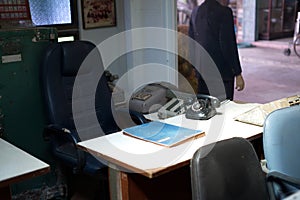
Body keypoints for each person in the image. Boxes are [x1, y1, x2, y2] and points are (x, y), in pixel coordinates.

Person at [188, 0, 245, 101]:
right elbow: (228, 44)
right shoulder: (224, 12)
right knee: (224, 109)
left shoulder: (195, 12)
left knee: (205, 108)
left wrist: (195, 69)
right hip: (222, 73)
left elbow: (192, 44)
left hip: (202, 72)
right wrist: (237, 73)